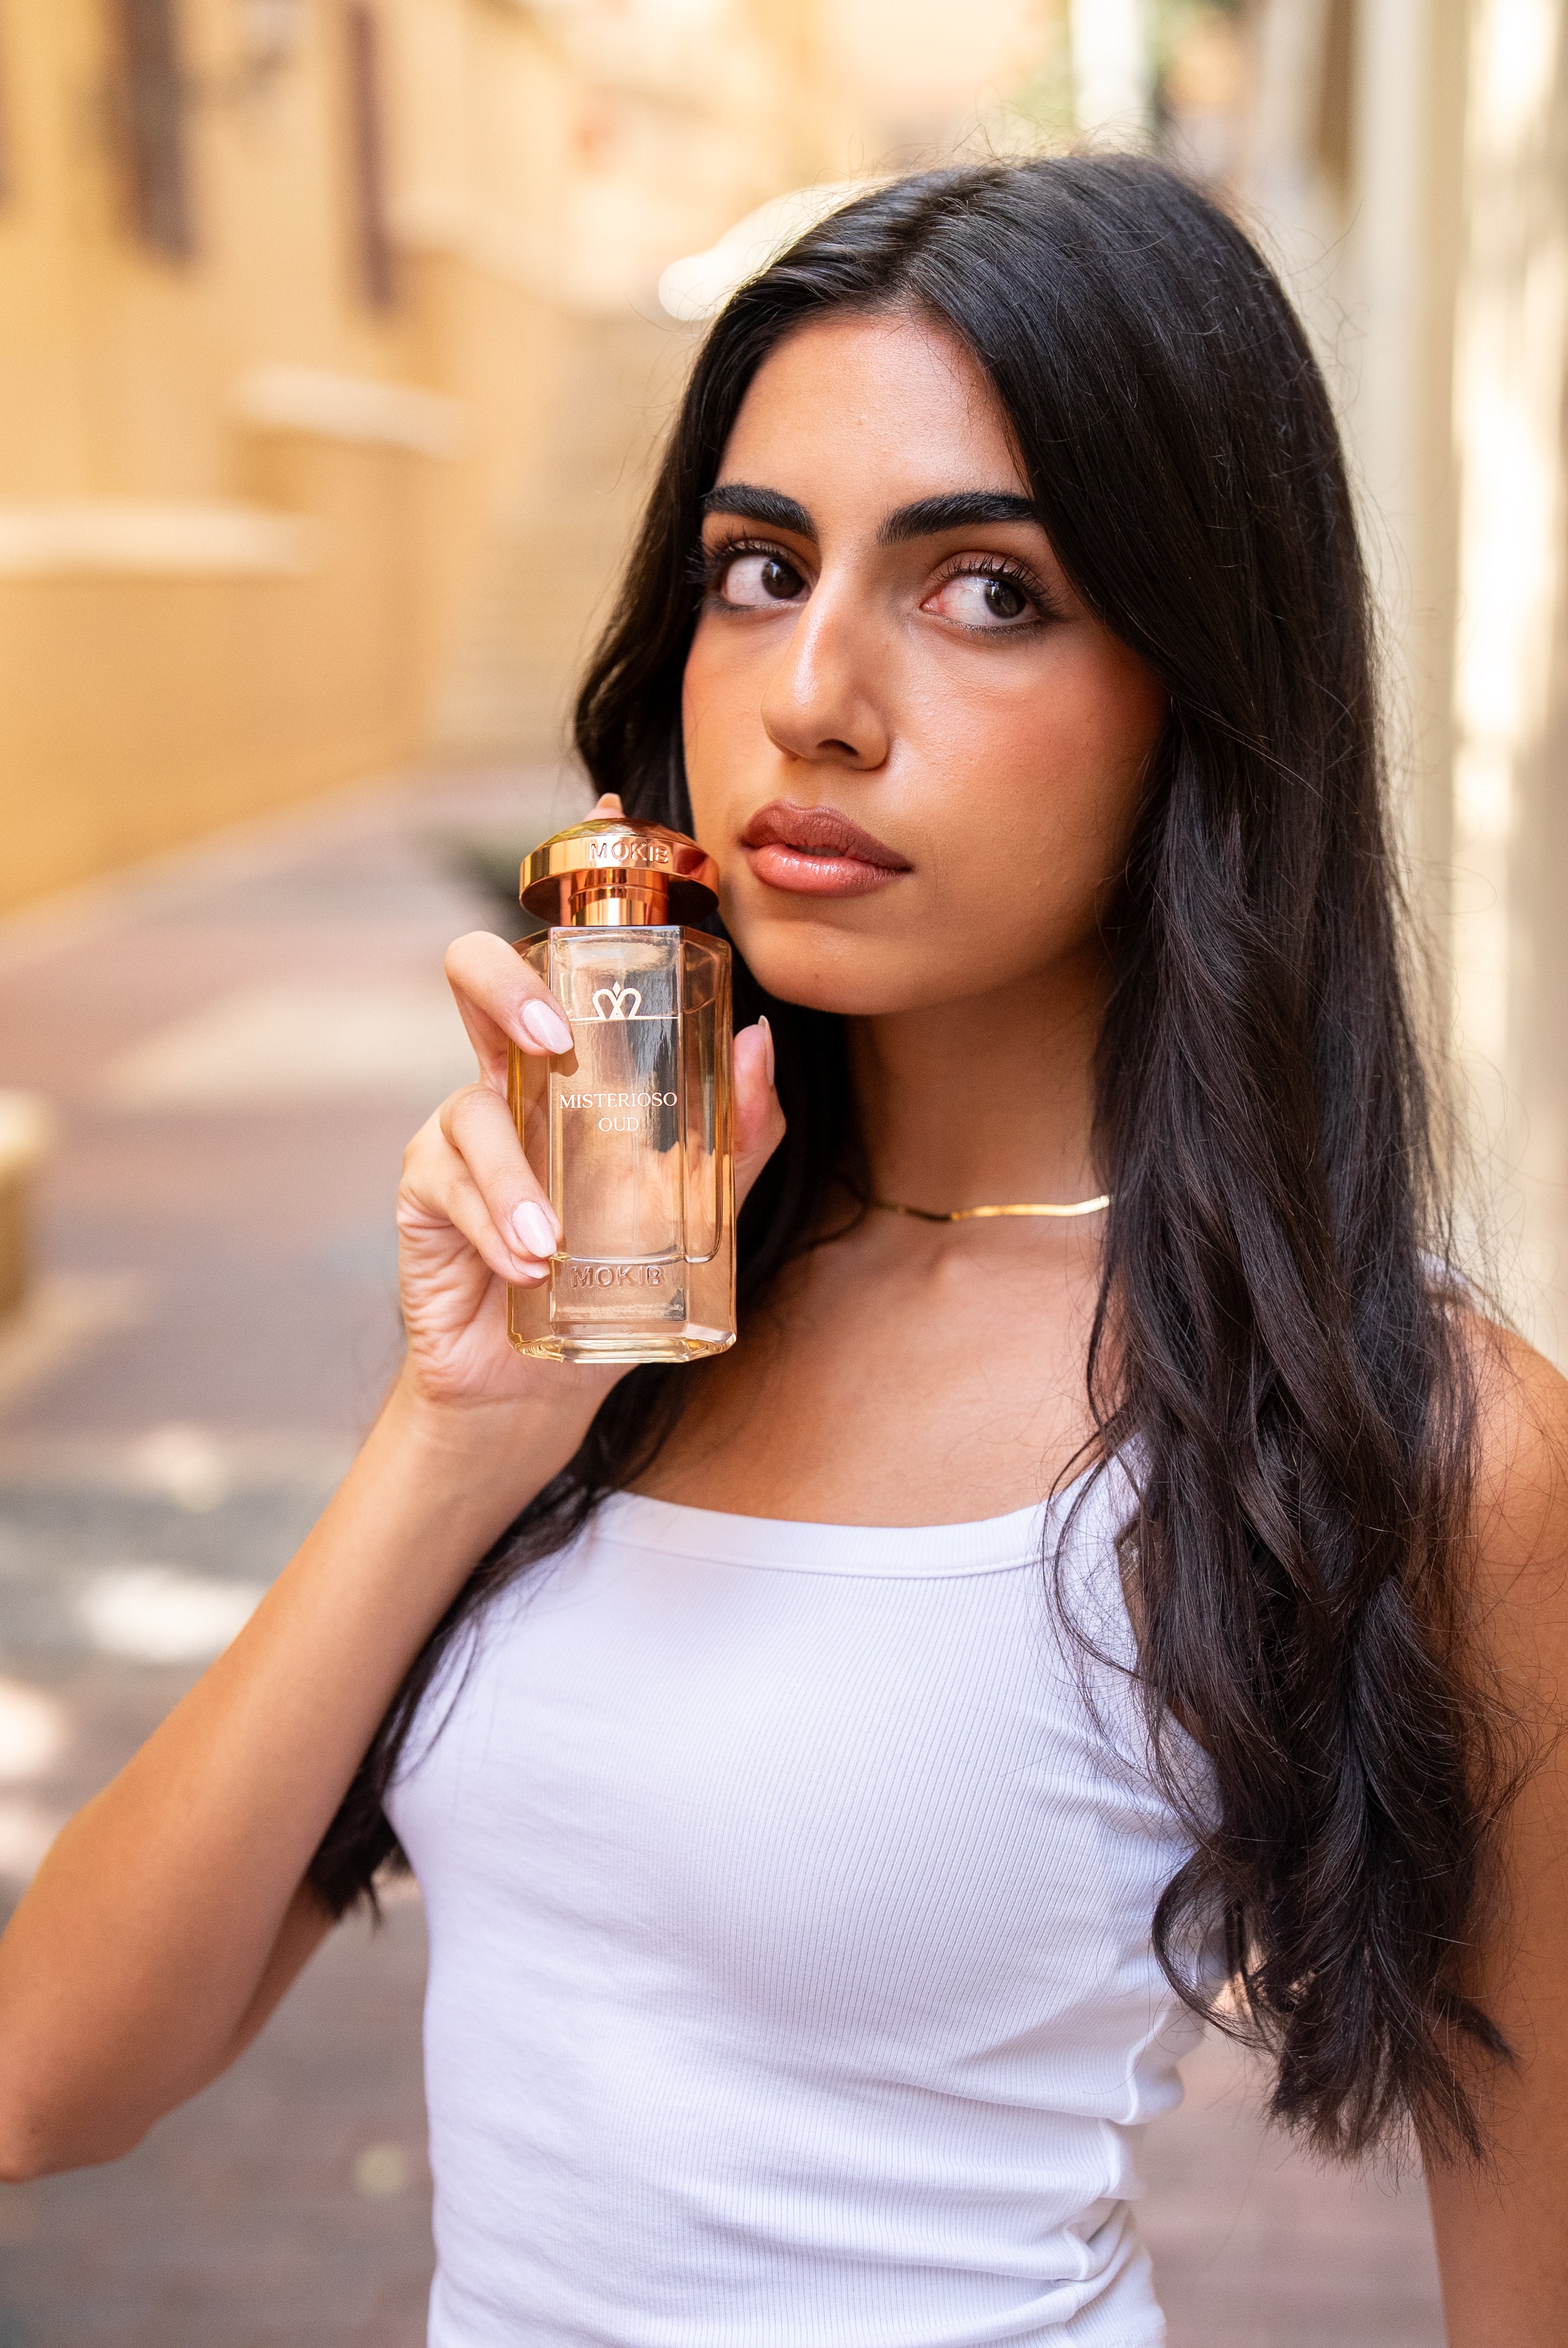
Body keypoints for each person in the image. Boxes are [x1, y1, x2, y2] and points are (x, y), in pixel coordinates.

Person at [1, 157, 1564, 2348]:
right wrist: (457, 1437)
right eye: (758, 568)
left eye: (988, 588)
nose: (815, 693)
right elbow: (47, 2076)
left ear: (1197, 687)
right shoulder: (620, 1299)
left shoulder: (1425, 1436)